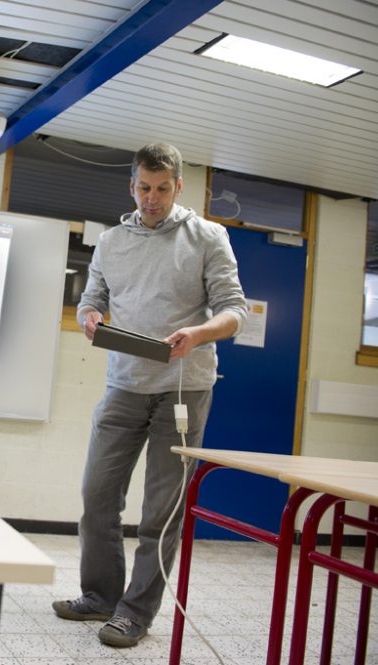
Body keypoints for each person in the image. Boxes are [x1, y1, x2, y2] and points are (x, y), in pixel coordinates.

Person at [52, 143, 247, 648]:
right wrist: (89, 317)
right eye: (144, 187)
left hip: (184, 390)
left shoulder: (209, 236)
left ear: (179, 186)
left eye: (162, 189)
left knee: (161, 510)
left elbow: (235, 309)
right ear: (132, 185)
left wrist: (199, 334)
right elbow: (91, 299)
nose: (152, 198)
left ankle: (134, 613)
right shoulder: (112, 241)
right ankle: (99, 597)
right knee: (97, 497)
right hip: (124, 386)